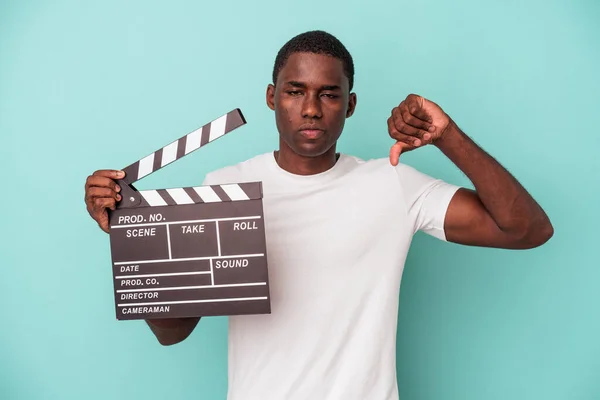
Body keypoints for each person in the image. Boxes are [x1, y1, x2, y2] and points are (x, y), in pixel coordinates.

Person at [84, 30, 553, 400]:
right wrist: (134, 232)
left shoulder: (392, 183)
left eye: (329, 95)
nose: (311, 109)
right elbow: (173, 332)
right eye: (295, 91)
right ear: (272, 97)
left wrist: (446, 134)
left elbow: (528, 228)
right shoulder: (223, 189)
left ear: (350, 105)